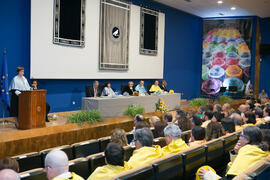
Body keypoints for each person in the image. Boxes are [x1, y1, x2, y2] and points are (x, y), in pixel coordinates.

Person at [198, 126, 268, 179]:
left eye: (241, 135)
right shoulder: (259, 150)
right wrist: (237, 153)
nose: (239, 138)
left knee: (202, 170)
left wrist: (208, 175)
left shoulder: (246, 151)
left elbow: (232, 177)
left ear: (247, 140)